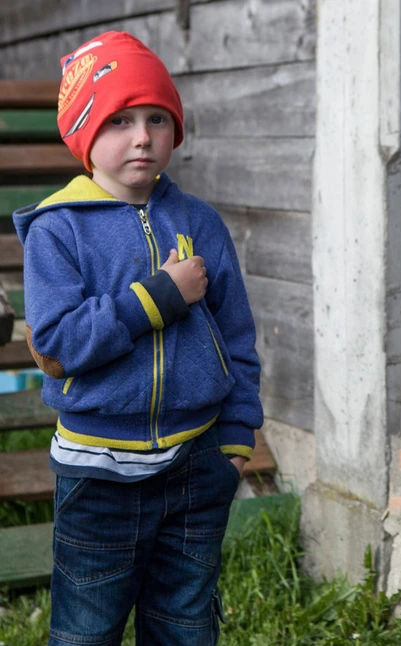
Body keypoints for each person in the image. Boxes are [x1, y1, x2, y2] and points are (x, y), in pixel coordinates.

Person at [14, 31, 263, 645]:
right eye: (119, 120)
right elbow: (57, 342)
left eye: (158, 118)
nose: (143, 136)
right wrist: (157, 298)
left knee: (185, 624)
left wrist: (235, 439)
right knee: (87, 630)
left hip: (195, 461)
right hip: (99, 472)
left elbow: (235, 333)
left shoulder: (199, 222)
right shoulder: (58, 230)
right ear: (83, 134)